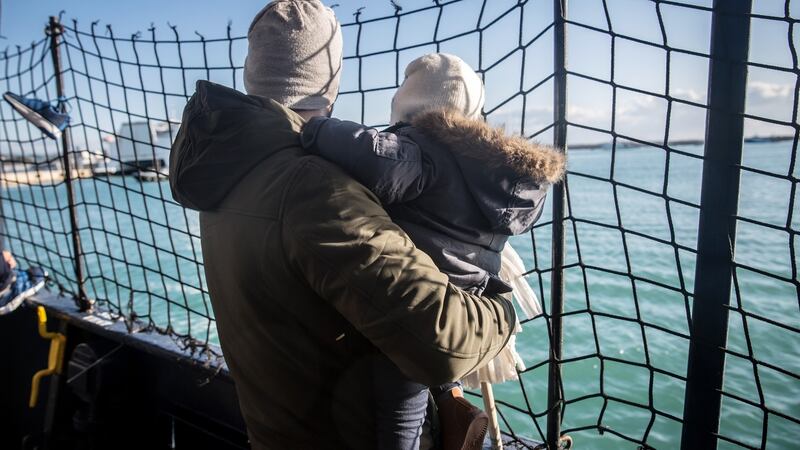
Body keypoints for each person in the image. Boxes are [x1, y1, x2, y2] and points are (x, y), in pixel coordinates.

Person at [168, 1, 517, 449]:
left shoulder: (226, 173)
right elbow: (446, 343)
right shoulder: (312, 185)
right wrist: (499, 311)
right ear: (329, 79)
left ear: (252, 73)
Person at [300, 53, 565, 450]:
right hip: (470, 298)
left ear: (410, 107)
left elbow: (373, 156)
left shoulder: (421, 148)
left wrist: (316, 128)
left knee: (397, 404)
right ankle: (452, 402)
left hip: (419, 302)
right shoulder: (502, 173)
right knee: (431, 364)